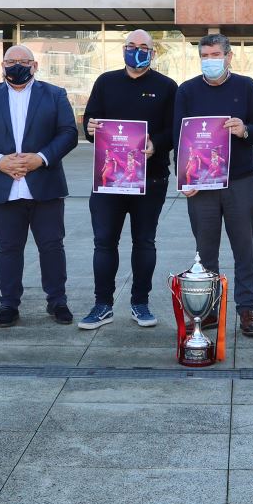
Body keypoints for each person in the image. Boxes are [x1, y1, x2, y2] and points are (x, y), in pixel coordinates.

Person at [0, 44, 79, 327]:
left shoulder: (55, 95)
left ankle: (57, 301)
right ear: (2, 66)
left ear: (35, 65)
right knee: (8, 248)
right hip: (4, 185)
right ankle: (9, 304)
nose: (17, 65)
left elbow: (68, 132)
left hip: (45, 184)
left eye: (24, 61)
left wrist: (41, 158)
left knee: (52, 246)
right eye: (11, 61)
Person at [78, 29, 178, 330]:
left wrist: (155, 144)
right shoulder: (106, 82)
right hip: (110, 179)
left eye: (143, 47)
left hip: (151, 179)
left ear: (153, 52)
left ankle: (140, 302)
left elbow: (174, 131)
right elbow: (90, 121)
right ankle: (102, 304)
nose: (137, 51)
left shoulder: (167, 86)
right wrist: (92, 127)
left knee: (144, 242)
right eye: (131, 46)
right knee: (104, 242)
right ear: (123, 49)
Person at [172, 33, 253, 336]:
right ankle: (208, 310)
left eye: (215, 55)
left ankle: (247, 309)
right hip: (202, 185)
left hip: (240, 181)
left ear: (228, 57)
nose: (210, 60)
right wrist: (184, 177)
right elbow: (179, 137)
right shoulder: (187, 90)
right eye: (205, 55)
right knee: (205, 251)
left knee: (244, 249)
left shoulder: (246, 86)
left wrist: (243, 130)